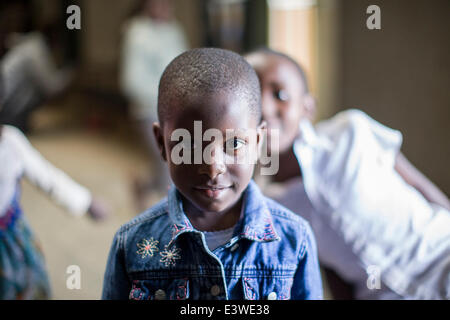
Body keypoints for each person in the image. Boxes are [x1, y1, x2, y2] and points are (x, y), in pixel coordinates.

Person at [102, 48, 323, 300]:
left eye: (234, 144)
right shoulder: (131, 244)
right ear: (161, 143)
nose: (212, 167)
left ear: (258, 141)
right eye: (190, 145)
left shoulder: (295, 241)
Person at [245, 48, 450, 300]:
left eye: (281, 94)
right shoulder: (270, 206)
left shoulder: (350, 131)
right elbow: (330, 264)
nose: (264, 108)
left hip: (440, 254)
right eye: (252, 99)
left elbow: (416, 182)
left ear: (307, 108)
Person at [0, 79, 109, 299]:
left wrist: (86, 201)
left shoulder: (10, 143)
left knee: (27, 288)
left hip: (10, 242)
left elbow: (48, 177)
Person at [120, 0, 189, 208]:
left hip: (179, 109)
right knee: (169, 163)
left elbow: (185, 66)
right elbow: (131, 80)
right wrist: (167, 96)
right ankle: (170, 223)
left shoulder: (174, 30)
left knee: (175, 162)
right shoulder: (136, 32)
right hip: (149, 110)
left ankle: (142, 186)